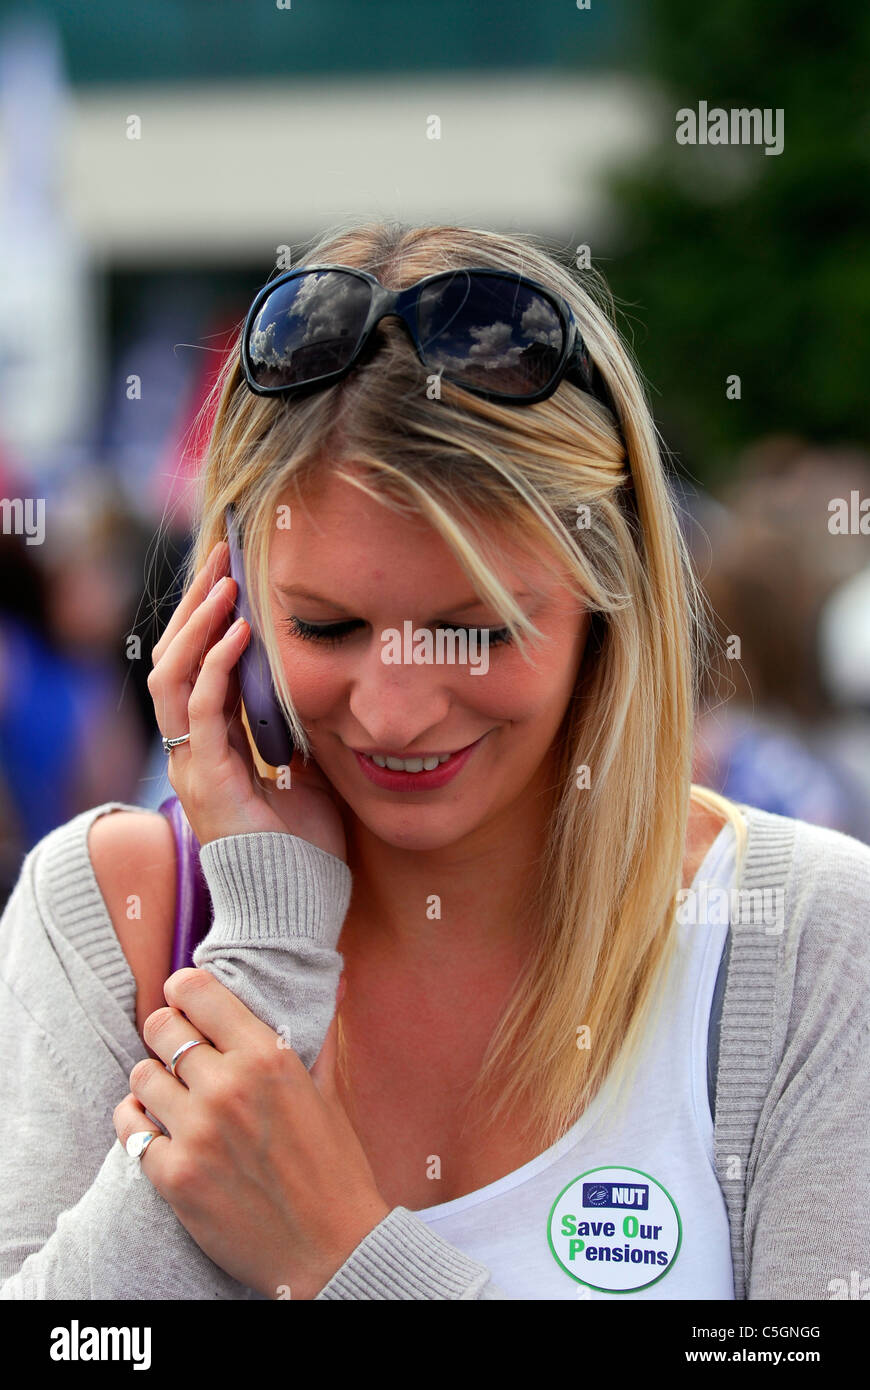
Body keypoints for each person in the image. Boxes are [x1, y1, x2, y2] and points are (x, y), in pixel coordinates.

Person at [1, 218, 868, 1301]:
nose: (397, 710)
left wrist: (344, 1261)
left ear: (615, 600)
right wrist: (265, 954)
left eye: (479, 629)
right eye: (327, 627)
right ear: (228, 600)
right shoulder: (116, 909)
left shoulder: (807, 938)